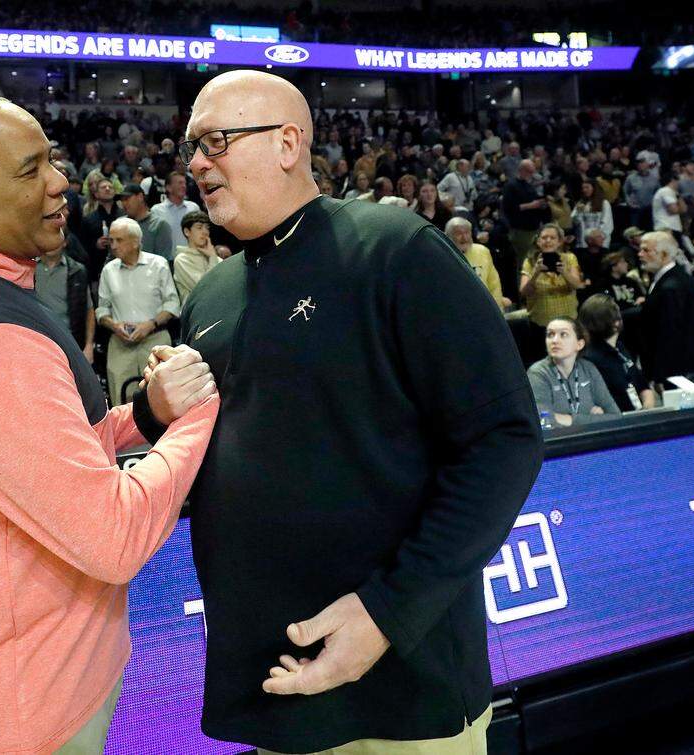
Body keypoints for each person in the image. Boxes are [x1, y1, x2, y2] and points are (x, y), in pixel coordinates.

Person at [139, 70, 542, 754]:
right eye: (191, 151)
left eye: (216, 141)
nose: (197, 164)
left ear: (289, 142)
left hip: (402, 694)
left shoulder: (393, 247)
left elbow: (504, 440)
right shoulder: (211, 294)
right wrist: (154, 412)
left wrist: (388, 613)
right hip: (277, 696)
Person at [0, 94, 218, 755]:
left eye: (55, 160)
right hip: (16, 712)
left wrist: (148, 414)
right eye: (31, 169)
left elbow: (48, 446)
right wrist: (197, 415)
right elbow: (113, 536)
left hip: (39, 686)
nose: (61, 181)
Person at [97, 216, 180, 406]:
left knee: (162, 400)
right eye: (111, 240)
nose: (113, 245)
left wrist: (149, 325)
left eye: (119, 240)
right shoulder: (108, 270)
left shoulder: (158, 264)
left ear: (135, 242)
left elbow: (172, 304)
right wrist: (114, 325)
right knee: (121, 400)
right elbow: (101, 310)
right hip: (120, 343)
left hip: (155, 340)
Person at [638, 231, 694, 387]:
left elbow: (670, 333)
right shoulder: (667, 280)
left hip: (677, 370)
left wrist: (661, 373)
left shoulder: (672, 286)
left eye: (646, 250)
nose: (640, 254)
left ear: (664, 254)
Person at [528, 316, 620, 426]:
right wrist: (593, 419)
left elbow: (615, 416)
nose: (555, 340)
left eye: (563, 334)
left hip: (592, 439)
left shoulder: (588, 369)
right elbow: (544, 422)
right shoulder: (538, 374)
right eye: (550, 335)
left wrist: (568, 419)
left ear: (579, 344)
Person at [578, 294, 656, 412]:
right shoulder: (589, 358)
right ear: (616, 323)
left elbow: (642, 385)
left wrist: (647, 406)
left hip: (637, 416)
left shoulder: (620, 348)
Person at [519, 223, 585, 344]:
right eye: (544, 238)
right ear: (538, 241)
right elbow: (524, 292)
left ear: (560, 242)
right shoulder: (529, 262)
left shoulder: (570, 258)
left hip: (567, 321)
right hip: (540, 324)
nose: (548, 241)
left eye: (552, 238)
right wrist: (536, 273)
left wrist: (564, 272)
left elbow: (578, 285)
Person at [35, 240, 96, 364]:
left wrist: (89, 345)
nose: (51, 243)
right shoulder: (28, 268)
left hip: (69, 342)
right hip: (36, 341)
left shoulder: (77, 271)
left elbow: (89, 310)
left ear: (65, 242)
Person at [502, 159, 550, 297]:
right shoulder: (511, 186)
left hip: (533, 228)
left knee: (533, 261)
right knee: (523, 263)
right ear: (522, 170)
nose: (532, 174)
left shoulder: (529, 186)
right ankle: (522, 294)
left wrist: (540, 205)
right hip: (520, 230)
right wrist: (532, 205)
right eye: (530, 171)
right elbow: (509, 208)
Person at [444, 217, 508, 310]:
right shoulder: (443, 256)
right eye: (458, 233)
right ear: (448, 236)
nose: (464, 237)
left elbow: (494, 285)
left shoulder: (482, 251)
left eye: (467, 232)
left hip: (485, 308)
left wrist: (497, 310)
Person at [79, 176, 124, 280]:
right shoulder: (89, 219)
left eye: (110, 187)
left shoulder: (124, 216)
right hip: (98, 269)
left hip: (123, 265)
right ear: (96, 194)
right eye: (103, 187)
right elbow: (83, 246)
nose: (107, 189)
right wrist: (96, 244)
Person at [172, 210, 221, 303]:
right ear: (187, 232)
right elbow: (203, 289)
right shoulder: (182, 259)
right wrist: (213, 258)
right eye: (199, 227)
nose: (205, 232)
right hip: (196, 314)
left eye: (207, 228)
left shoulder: (214, 257)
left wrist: (213, 257)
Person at [120, 183, 174, 263]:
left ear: (140, 197)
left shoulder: (159, 225)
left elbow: (163, 262)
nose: (124, 203)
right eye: (122, 200)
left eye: (127, 198)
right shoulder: (120, 224)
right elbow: (112, 258)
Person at [150, 171, 201, 249]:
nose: (184, 186)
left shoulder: (193, 208)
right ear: (168, 188)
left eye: (184, 183)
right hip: (167, 258)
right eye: (180, 183)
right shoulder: (157, 210)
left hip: (191, 258)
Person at [572, 178, 614, 251]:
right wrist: (578, 212)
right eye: (583, 188)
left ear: (594, 188)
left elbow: (607, 223)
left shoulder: (604, 203)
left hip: (599, 241)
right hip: (583, 241)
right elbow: (575, 221)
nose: (584, 190)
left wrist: (597, 237)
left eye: (587, 187)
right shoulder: (581, 203)